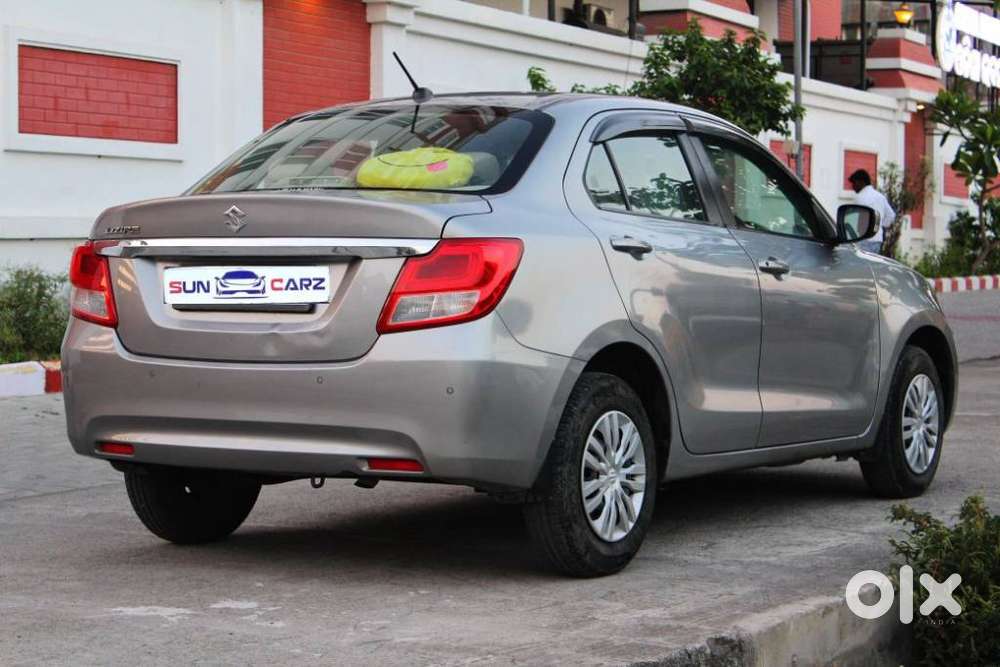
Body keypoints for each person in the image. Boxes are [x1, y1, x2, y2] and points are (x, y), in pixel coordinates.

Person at [848, 169, 895, 255]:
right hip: (877, 240)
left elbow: (854, 223)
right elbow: (891, 216)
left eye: (854, 183)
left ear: (861, 182)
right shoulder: (880, 197)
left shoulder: (859, 198)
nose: (853, 187)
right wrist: (880, 224)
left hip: (862, 240)